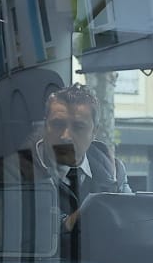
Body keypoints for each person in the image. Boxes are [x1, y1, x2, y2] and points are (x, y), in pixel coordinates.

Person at [38, 83, 131, 217]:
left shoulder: (114, 171)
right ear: (45, 127)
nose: (66, 136)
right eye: (58, 124)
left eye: (78, 127)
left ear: (94, 132)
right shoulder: (23, 172)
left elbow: (128, 221)